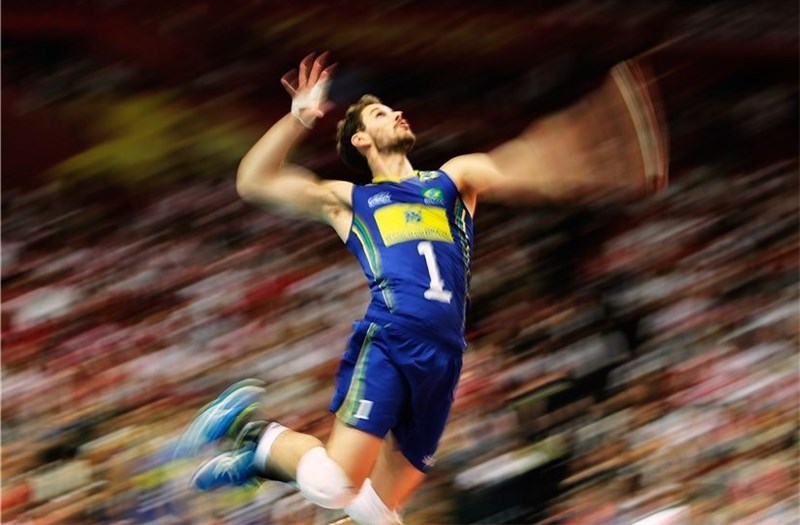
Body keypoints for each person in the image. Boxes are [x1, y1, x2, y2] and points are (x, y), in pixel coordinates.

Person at [174, 52, 663, 525]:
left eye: (393, 109)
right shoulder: (352, 200)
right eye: (381, 114)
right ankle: (253, 434)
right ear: (361, 139)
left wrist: (593, 155)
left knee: (379, 516)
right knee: (334, 487)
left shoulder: (453, 180)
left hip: (444, 358)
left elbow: (526, 163)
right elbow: (254, 182)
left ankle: (261, 459)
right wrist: (298, 119)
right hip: (392, 338)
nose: (397, 113)